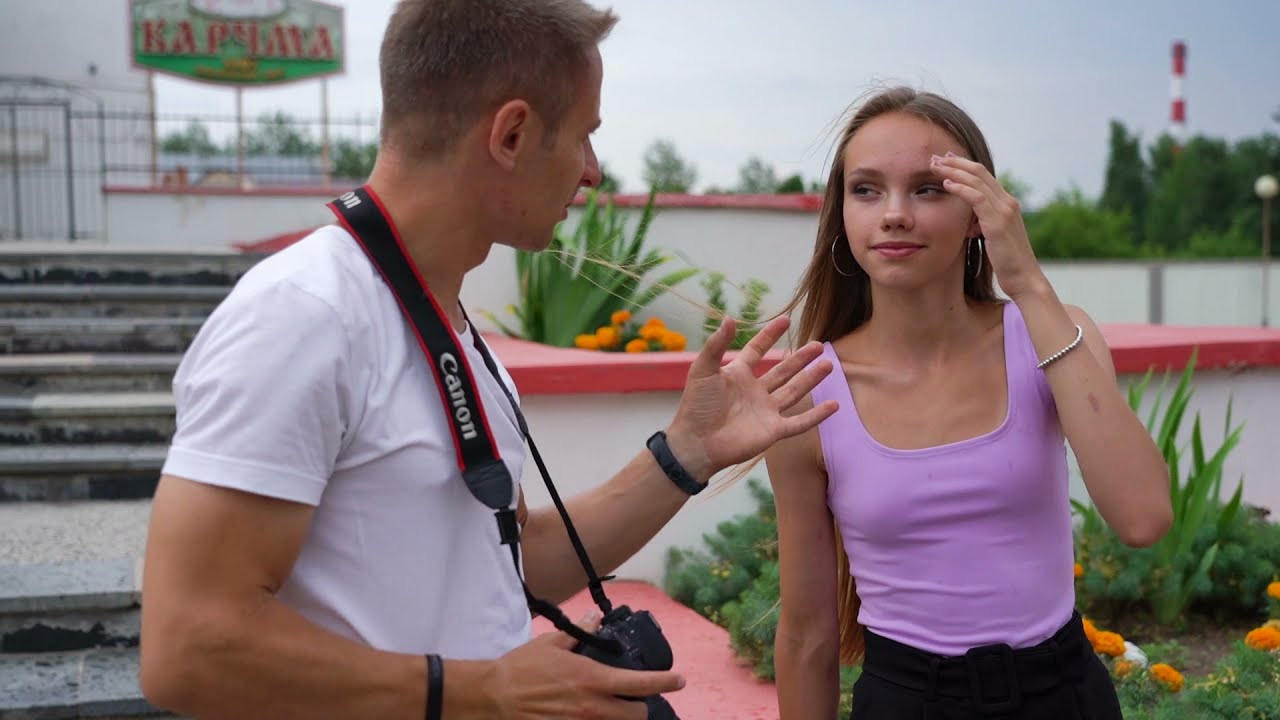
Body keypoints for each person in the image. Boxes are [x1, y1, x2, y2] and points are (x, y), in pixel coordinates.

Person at [136, 2, 838, 719]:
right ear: (512, 134)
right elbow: (188, 646)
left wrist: (688, 453)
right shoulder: (304, 314)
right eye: (585, 137)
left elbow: (513, 564)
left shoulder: (442, 319)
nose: (592, 172)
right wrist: (485, 692)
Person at [763, 86, 1174, 719]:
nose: (894, 214)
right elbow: (806, 636)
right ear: (841, 215)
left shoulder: (1056, 338)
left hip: (1063, 696)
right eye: (867, 189)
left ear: (981, 209)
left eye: (929, 189)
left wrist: (1029, 284)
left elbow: (1143, 518)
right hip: (907, 702)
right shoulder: (810, 394)